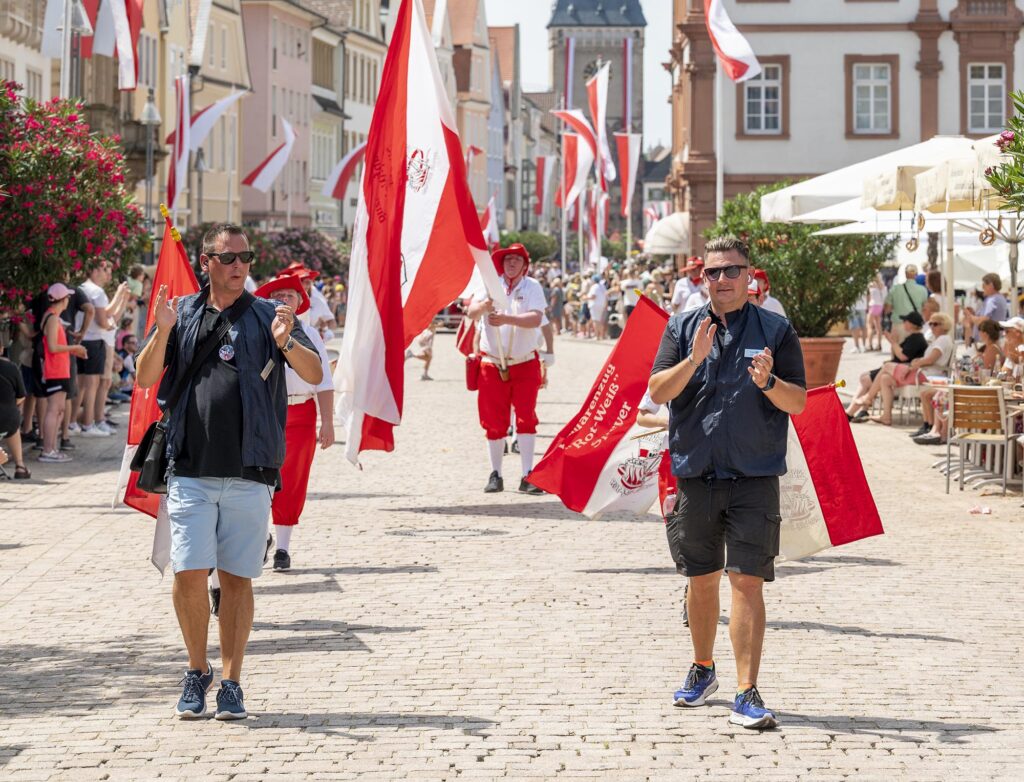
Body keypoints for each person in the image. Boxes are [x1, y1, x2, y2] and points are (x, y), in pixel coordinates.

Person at [135, 223, 322, 721]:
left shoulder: (269, 315)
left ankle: (233, 681)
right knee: (190, 573)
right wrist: (164, 330)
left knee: (238, 579)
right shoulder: (184, 313)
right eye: (228, 257)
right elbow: (145, 376)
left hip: (250, 468)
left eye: (245, 257)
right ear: (207, 262)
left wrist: (287, 343)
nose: (239, 265)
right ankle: (197, 670)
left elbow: (314, 372)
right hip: (191, 468)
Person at [649, 235, 806, 730]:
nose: (721, 280)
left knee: (746, 582)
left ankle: (747, 690)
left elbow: (798, 402)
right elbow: (656, 391)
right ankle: (702, 669)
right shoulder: (681, 326)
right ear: (703, 279)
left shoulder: (777, 331)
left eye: (731, 271)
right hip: (697, 471)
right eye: (713, 273)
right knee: (700, 581)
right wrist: (693, 358)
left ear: (750, 274)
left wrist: (768, 383)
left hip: (754, 473)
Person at [253, 274, 335, 572]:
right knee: (260, 479)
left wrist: (327, 421)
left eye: (290, 295)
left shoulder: (310, 335)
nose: (285, 300)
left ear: (300, 302)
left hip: (301, 412)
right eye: (279, 295)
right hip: (266, 413)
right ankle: (261, 537)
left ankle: (283, 548)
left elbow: (324, 382)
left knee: (292, 480)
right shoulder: (259, 332)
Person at [466, 243, 546, 495]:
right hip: (492, 362)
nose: (512, 263)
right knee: (493, 420)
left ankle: (527, 474)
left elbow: (536, 318)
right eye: (508, 259)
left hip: (524, 361)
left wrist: (507, 319)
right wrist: (485, 306)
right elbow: (471, 313)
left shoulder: (532, 287)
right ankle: (496, 473)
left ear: (525, 264)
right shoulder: (489, 286)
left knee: (526, 418)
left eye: (517, 260)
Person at [869, 312, 955, 426]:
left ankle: (868, 398)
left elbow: (930, 360)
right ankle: (886, 416)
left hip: (927, 374)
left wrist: (916, 363)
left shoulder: (942, 340)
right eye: (930, 324)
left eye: (935, 324)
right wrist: (917, 361)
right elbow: (928, 359)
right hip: (924, 372)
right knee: (885, 378)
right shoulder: (939, 339)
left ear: (944, 325)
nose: (932, 327)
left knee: (887, 366)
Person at [76, 262, 131, 436]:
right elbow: (105, 318)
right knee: (91, 384)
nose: (107, 273)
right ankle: (88, 423)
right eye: (104, 269)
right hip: (94, 341)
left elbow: (110, 317)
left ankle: (84, 422)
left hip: (93, 340)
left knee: (90, 384)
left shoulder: (87, 289)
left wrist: (122, 298)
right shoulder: (96, 291)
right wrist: (120, 295)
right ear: (93, 270)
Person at [36, 284, 89, 462]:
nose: (69, 300)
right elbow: (52, 347)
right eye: (67, 297)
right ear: (62, 299)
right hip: (54, 371)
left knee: (58, 409)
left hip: (60, 369)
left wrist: (73, 350)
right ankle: (48, 450)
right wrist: (75, 347)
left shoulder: (55, 318)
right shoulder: (51, 318)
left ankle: (52, 449)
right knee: (54, 409)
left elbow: (56, 346)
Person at [845, 311, 930, 420]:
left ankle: (855, 409)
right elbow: (899, 355)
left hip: (903, 371)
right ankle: (863, 410)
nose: (903, 323)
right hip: (898, 369)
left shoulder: (917, 338)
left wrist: (893, 342)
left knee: (865, 379)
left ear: (912, 324)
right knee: (875, 377)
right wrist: (893, 342)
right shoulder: (913, 337)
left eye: (905, 321)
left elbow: (903, 356)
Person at [0, 353, 30, 478]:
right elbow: (21, 396)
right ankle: (20, 466)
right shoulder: (11, 367)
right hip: (8, 420)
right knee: (13, 425)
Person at [884, 264, 928, 340]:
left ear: (905, 274)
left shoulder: (895, 289)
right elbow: (925, 309)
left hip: (898, 325)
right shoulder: (923, 290)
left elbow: (887, 309)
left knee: (897, 350)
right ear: (916, 274)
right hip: (915, 326)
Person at [585, 275, 608, 340]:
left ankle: (597, 336)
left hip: (595, 305)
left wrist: (585, 298)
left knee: (595, 321)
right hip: (601, 305)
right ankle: (602, 335)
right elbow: (606, 296)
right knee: (599, 320)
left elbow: (593, 296)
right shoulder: (603, 286)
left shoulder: (594, 287)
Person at [866, 275, 886, 351]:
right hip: (880, 305)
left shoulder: (871, 285)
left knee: (869, 325)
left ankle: (870, 345)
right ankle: (879, 344)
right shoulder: (882, 285)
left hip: (873, 305)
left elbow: (868, 296)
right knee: (878, 326)